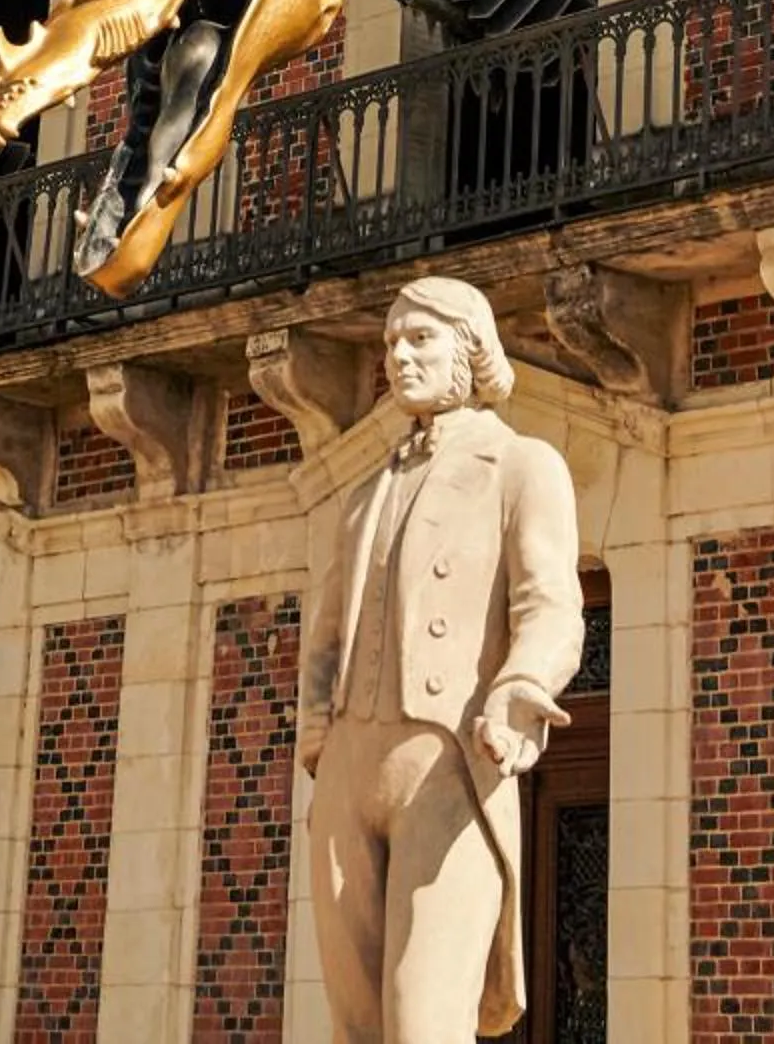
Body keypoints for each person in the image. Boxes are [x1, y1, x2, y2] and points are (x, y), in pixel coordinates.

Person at [300, 276, 584, 1043]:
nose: (399, 355)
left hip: (448, 771)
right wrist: (318, 744)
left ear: (470, 348)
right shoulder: (360, 498)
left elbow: (551, 605)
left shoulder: (521, 467)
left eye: (420, 338)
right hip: (349, 776)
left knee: (424, 1023)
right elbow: (325, 639)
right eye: (391, 341)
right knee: (354, 1027)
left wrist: (522, 685)